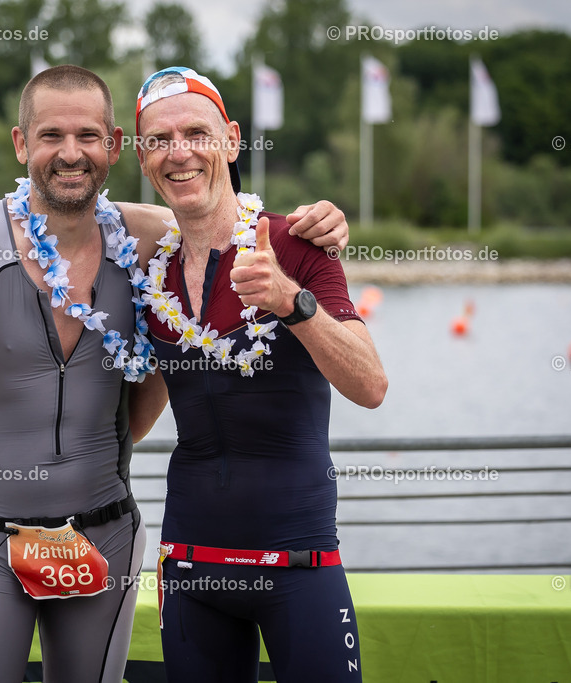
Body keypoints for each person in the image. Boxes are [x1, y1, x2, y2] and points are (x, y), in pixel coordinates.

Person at [0, 64, 352, 683]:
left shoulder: (145, 240)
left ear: (114, 147)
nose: (70, 154)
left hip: (104, 537)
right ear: (19, 144)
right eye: (50, 136)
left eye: (88, 136)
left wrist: (320, 224)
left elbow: (222, 211)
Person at [133, 66, 388, 682]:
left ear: (232, 140)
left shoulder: (296, 244)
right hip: (190, 563)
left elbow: (370, 385)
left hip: (299, 561)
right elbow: (133, 424)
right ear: (141, 156)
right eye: (159, 140)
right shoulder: (148, 275)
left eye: (197, 132)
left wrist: (291, 302)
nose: (179, 152)